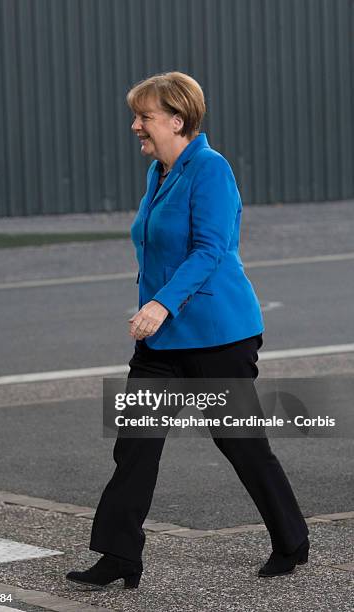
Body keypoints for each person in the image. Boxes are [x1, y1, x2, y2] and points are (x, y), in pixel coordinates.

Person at [66, 71, 309, 589]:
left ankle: (291, 540)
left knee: (240, 442)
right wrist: (155, 311)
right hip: (162, 341)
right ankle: (119, 556)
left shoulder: (210, 169)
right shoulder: (159, 172)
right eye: (136, 116)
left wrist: (160, 303)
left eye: (144, 117)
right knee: (134, 443)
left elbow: (210, 250)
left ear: (177, 120)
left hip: (219, 335)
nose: (135, 125)